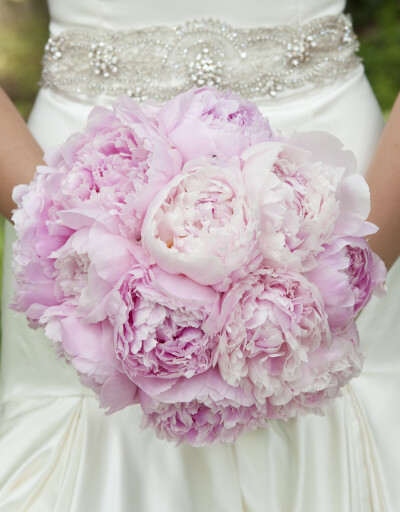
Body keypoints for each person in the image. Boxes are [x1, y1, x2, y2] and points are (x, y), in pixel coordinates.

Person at [0, 1, 399, 510]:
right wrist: (62, 234)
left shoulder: (349, 243)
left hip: (335, 192)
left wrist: (347, 269)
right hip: (83, 184)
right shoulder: (70, 227)